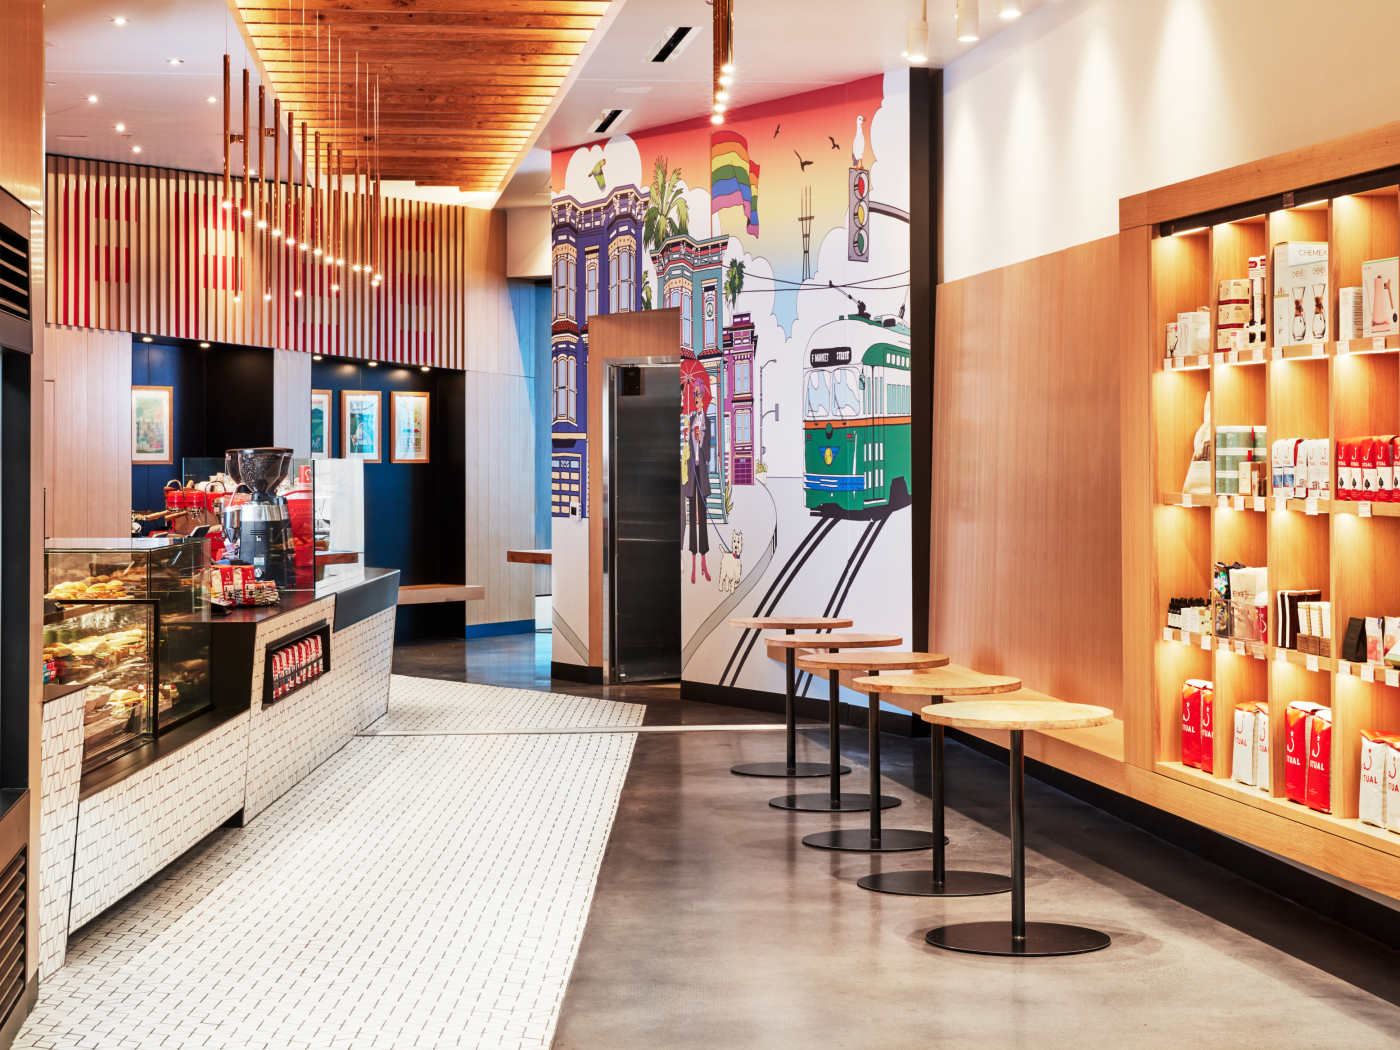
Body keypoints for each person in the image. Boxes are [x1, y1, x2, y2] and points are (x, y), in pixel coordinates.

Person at [683, 410, 711, 583]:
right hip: (692, 474)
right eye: (696, 397)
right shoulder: (691, 420)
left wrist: (701, 439)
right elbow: (686, 452)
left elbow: (707, 455)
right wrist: (688, 439)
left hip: (701, 474)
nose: (697, 400)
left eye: (700, 397)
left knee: (703, 519)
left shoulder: (707, 422)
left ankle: (704, 562)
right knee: (692, 517)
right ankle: (693, 562)